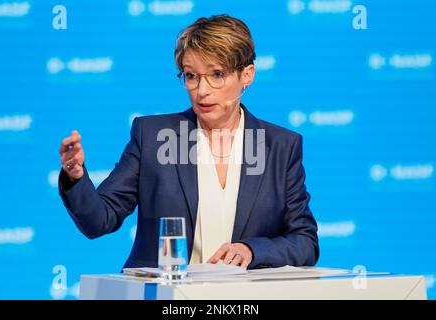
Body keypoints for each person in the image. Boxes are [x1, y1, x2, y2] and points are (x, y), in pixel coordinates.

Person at [58, 14, 319, 270]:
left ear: (247, 75)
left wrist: (252, 250)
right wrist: (75, 177)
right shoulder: (152, 136)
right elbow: (99, 219)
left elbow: (305, 242)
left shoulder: (281, 147)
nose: (202, 90)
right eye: (191, 76)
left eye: (217, 74)